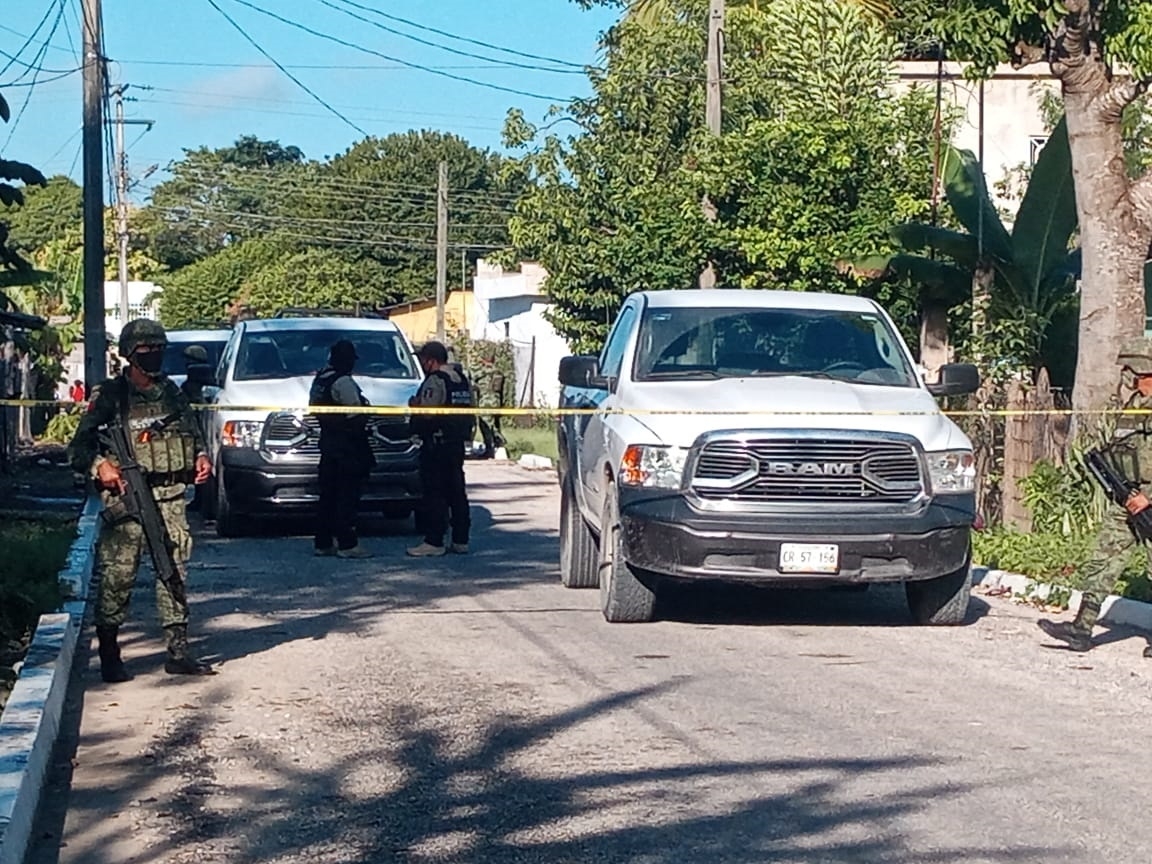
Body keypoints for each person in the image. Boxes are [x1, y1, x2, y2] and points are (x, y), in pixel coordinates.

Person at [67, 319, 216, 683]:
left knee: (173, 570)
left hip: (170, 494)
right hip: (128, 496)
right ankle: (109, 652)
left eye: (159, 349)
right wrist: (100, 466)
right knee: (119, 574)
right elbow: (79, 447)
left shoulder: (171, 392)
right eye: (147, 350)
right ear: (131, 355)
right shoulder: (111, 396)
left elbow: (191, 433)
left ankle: (178, 651)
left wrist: (201, 458)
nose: (155, 356)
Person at [1038, 339, 1152, 655]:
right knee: (1102, 560)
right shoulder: (1135, 406)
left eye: (1130, 369)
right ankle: (1081, 628)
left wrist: (1147, 498)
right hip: (1127, 498)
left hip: (1147, 500)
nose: (1125, 375)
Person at [408, 340, 474, 557]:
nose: (422, 363)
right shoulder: (461, 380)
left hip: (436, 445)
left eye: (423, 360)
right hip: (456, 445)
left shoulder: (436, 381)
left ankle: (434, 541)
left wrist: (414, 407)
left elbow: (427, 413)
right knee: (457, 492)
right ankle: (460, 540)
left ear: (431, 360)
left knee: (434, 493)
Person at [309, 339, 374, 559]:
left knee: (328, 496)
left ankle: (323, 542)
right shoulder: (342, 382)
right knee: (347, 496)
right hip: (348, 447)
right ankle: (347, 544)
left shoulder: (320, 380)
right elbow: (356, 415)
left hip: (328, 445)